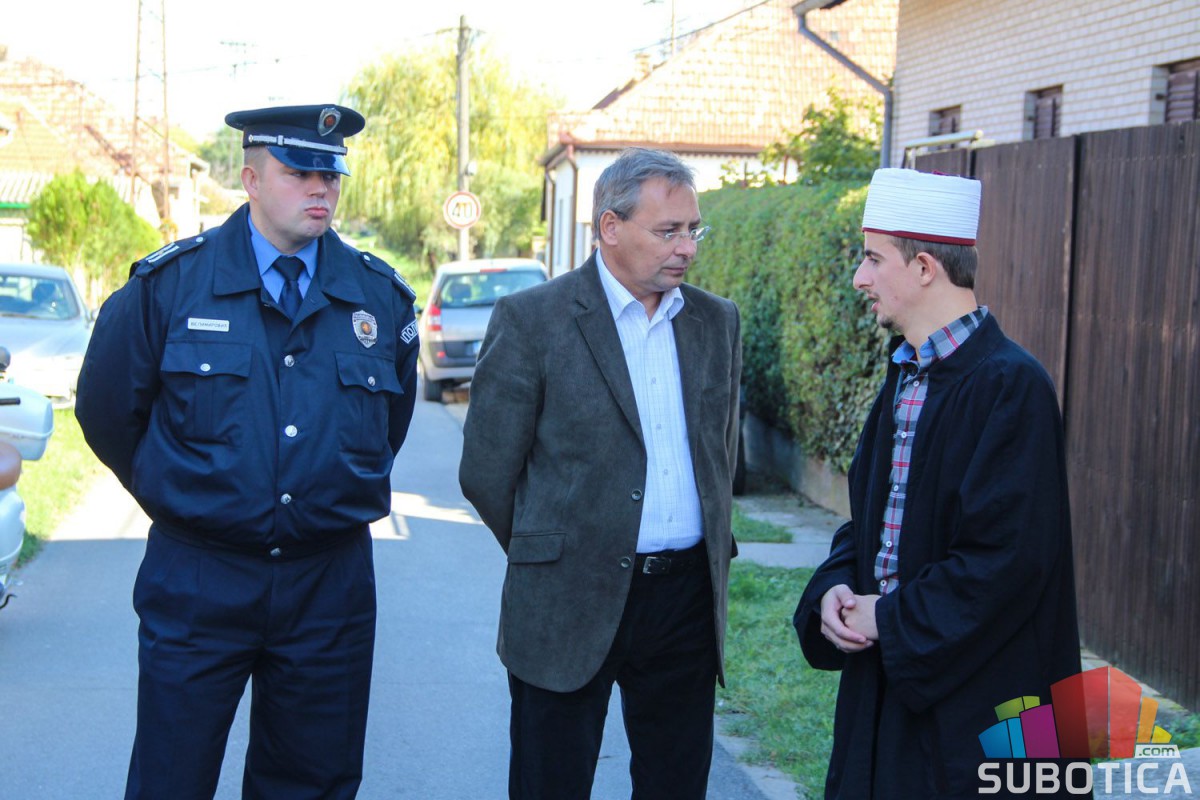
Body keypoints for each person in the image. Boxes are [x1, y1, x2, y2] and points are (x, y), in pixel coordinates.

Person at [75, 104, 419, 800]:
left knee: (311, 782)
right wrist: (183, 491)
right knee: (172, 778)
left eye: (331, 176)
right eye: (299, 173)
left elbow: (390, 424)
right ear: (252, 179)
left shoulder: (377, 298)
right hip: (200, 575)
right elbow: (107, 411)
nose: (320, 189)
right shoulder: (171, 286)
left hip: (327, 584)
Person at [459, 147, 742, 800]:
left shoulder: (715, 321)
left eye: (693, 229)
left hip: (685, 601)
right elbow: (486, 471)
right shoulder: (533, 320)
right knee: (550, 783)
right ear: (610, 227)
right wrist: (549, 548)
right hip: (567, 596)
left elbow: (721, 453)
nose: (686, 248)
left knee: (676, 785)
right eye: (668, 231)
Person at [793, 168, 1083, 798]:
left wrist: (888, 617)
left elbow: (1007, 562)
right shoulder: (905, 375)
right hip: (886, 700)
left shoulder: (1012, 386)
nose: (859, 278)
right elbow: (871, 525)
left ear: (924, 267)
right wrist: (833, 591)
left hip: (981, 714)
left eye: (873, 259)